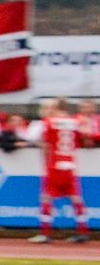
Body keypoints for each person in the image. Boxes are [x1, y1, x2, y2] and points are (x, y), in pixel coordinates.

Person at [29, 98, 90, 243]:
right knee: (75, 198)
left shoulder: (48, 122)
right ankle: (83, 231)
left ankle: (45, 233)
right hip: (70, 164)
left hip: (54, 165)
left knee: (46, 198)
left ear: (55, 108)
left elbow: (31, 137)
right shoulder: (75, 122)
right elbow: (87, 135)